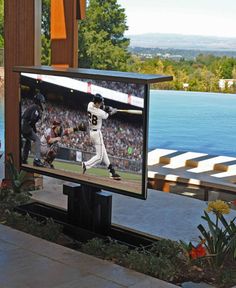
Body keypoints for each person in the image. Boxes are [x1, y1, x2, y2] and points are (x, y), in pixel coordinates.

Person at [82, 93, 121, 180]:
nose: (101, 104)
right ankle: (86, 164)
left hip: (92, 132)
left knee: (104, 153)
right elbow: (107, 115)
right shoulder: (99, 113)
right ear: (96, 103)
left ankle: (111, 171)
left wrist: (108, 108)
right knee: (99, 157)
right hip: (97, 134)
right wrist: (112, 111)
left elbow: (102, 107)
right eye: (99, 103)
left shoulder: (90, 105)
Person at [21, 92, 46, 167]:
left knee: (28, 141)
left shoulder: (32, 106)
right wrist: (33, 128)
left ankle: (24, 159)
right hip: (25, 125)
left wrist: (33, 128)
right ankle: (37, 160)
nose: (42, 104)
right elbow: (32, 119)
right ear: (39, 101)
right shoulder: (36, 108)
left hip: (22, 124)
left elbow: (30, 119)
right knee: (37, 139)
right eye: (42, 102)